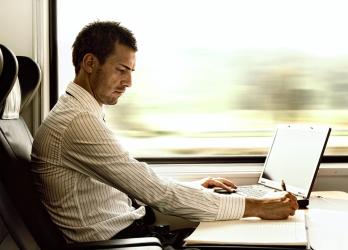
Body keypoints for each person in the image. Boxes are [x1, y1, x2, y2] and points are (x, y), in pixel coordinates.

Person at [31, 21, 298, 248]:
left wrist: (194, 187)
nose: (129, 83)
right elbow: (157, 193)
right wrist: (257, 207)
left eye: (130, 72)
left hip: (128, 231)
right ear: (90, 63)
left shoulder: (81, 111)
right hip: (119, 243)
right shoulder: (77, 122)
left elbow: (137, 181)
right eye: (121, 70)